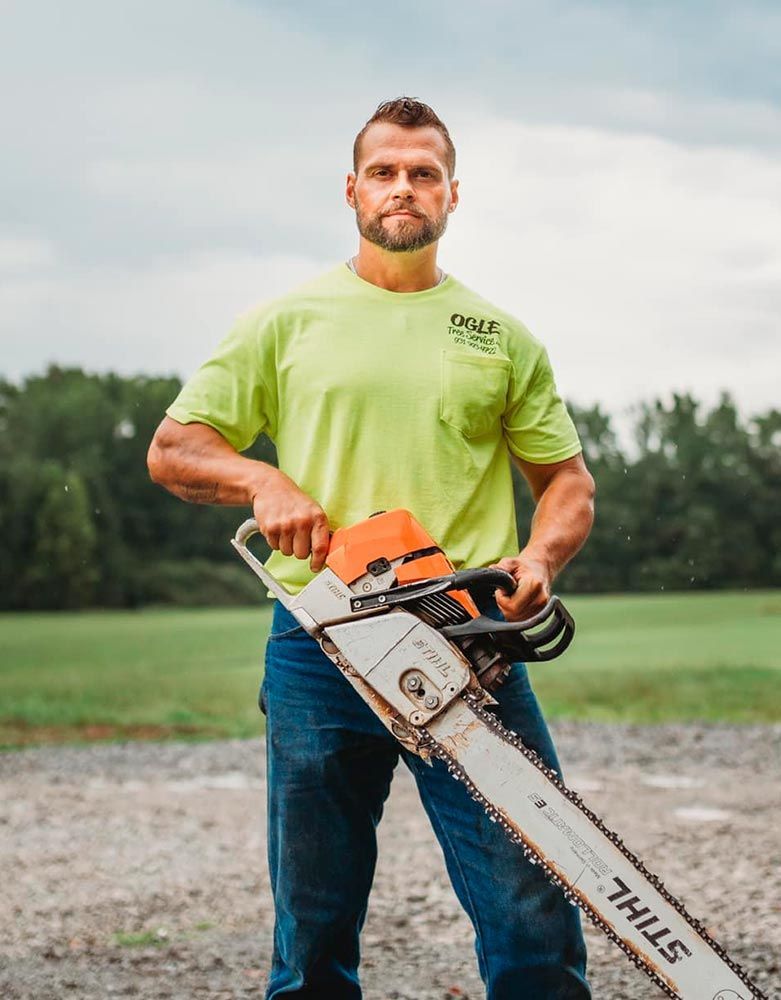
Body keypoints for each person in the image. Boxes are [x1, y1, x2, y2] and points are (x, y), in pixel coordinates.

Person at [148, 97, 595, 1000]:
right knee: (313, 913)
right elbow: (173, 449)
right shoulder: (284, 322)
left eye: (422, 173)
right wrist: (263, 482)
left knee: (529, 892)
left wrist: (539, 559)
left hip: (470, 634)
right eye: (385, 171)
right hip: (322, 637)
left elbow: (567, 485)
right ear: (351, 189)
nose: (403, 189)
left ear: (452, 196)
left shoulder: (501, 336)